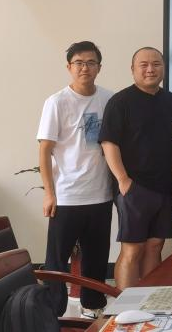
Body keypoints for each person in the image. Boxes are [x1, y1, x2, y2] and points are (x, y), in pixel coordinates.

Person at [36, 41, 113, 317]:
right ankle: (52, 311)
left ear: (99, 67)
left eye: (91, 62)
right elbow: (45, 150)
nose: (85, 68)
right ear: (69, 67)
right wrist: (49, 193)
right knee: (57, 260)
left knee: (97, 256)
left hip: (101, 193)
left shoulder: (109, 99)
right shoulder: (57, 102)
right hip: (67, 195)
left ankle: (93, 305)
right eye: (79, 62)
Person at [99, 47, 172, 289]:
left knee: (155, 246)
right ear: (133, 69)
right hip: (133, 187)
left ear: (163, 68)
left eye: (156, 64)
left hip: (164, 186)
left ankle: (149, 302)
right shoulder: (120, 101)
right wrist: (123, 180)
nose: (150, 69)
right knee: (132, 249)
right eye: (144, 65)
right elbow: (109, 143)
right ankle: (124, 305)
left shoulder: (171, 101)